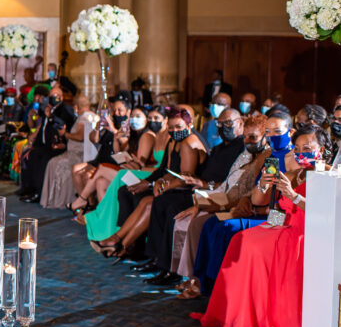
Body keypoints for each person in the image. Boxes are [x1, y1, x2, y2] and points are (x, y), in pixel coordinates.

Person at [191, 123, 326, 327]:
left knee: (256, 246)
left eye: (308, 147)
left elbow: (321, 212)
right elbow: (260, 202)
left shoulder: (327, 176)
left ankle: (263, 316)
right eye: (298, 148)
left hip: (307, 231)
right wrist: (264, 185)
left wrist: (292, 196)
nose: (302, 153)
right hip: (282, 223)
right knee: (241, 239)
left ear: (321, 150)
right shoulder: (292, 173)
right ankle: (239, 312)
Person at [140, 107, 246, 285]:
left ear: (240, 124)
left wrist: (203, 185)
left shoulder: (241, 149)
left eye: (228, 123)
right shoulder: (219, 148)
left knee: (171, 206)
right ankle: (158, 258)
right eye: (220, 124)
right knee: (161, 201)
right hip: (201, 189)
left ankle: (170, 268)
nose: (223, 128)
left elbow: (228, 185)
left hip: (217, 194)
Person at [171, 114, 270, 299]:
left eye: (253, 137)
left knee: (210, 225)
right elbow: (233, 186)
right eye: (246, 137)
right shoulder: (250, 155)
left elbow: (262, 196)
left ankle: (206, 282)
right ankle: (198, 278)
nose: (247, 141)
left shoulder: (273, 159)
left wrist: (249, 204)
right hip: (243, 204)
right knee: (202, 222)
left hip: (264, 213)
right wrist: (207, 199)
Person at [97, 108, 202, 259]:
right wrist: (152, 182)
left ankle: (122, 245)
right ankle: (122, 242)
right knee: (128, 192)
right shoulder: (173, 141)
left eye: (179, 127)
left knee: (149, 202)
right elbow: (166, 170)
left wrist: (153, 185)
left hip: (189, 191)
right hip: (174, 186)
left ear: (189, 124)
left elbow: (185, 180)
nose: (174, 131)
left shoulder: (189, 143)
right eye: (171, 128)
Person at [19, 86, 75, 204]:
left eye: (56, 96)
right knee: (29, 155)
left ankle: (38, 193)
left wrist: (51, 116)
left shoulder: (65, 109)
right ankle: (27, 188)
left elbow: (63, 125)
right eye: (52, 96)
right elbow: (38, 125)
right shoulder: (46, 107)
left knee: (42, 160)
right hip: (43, 144)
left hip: (58, 146)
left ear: (61, 97)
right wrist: (33, 117)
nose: (54, 99)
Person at [41, 94, 97, 209]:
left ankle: (58, 200)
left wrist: (65, 134)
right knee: (53, 161)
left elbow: (80, 136)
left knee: (54, 163)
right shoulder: (93, 115)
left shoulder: (84, 117)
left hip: (78, 154)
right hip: (81, 153)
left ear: (76, 107)